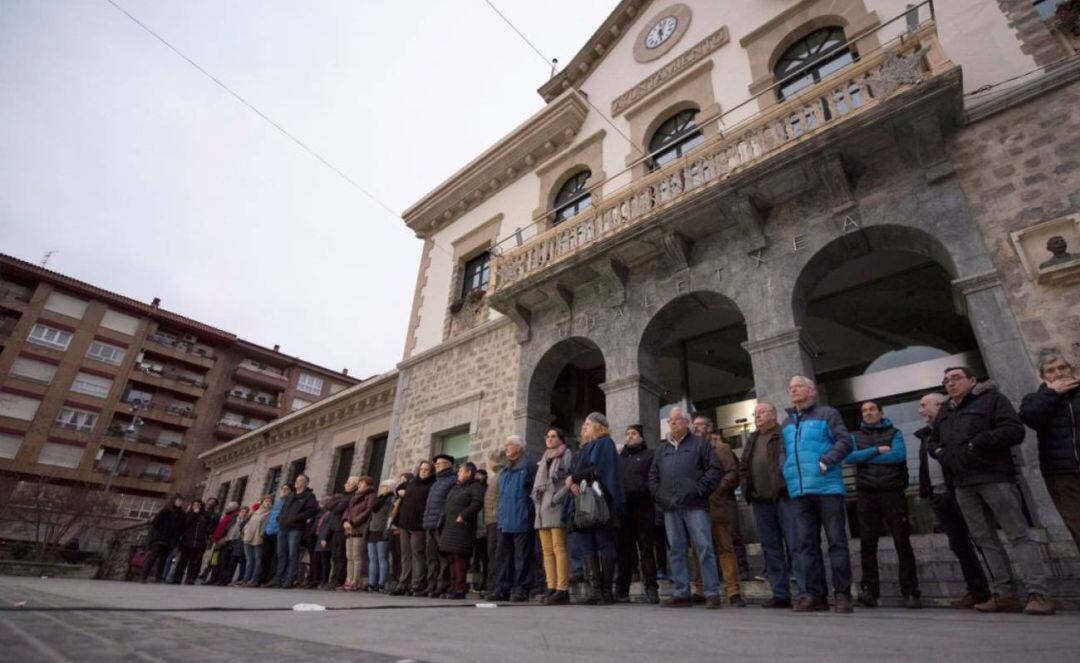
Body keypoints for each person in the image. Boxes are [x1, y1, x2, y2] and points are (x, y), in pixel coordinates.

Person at [929, 367, 1054, 615]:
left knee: (1018, 534)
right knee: (984, 539)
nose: (950, 384)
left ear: (972, 380)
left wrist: (977, 444)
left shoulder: (992, 400)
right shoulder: (946, 410)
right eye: (946, 381)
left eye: (956, 378)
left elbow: (1014, 430)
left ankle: (1038, 592)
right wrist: (941, 453)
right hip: (963, 483)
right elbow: (934, 441)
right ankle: (1004, 593)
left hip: (994, 477)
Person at [782, 375, 854, 613]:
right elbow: (783, 451)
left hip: (827, 488)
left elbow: (845, 441)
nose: (793, 391)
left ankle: (842, 595)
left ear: (811, 391)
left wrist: (826, 461)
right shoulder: (788, 422)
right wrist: (786, 467)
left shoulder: (828, 414)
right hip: (800, 492)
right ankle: (815, 596)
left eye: (798, 387)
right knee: (805, 546)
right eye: (791, 388)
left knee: (836, 543)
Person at [915, 393, 991, 608]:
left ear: (940, 406)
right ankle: (977, 591)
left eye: (924, 405)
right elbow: (924, 467)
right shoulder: (926, 435)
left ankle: (998, 590)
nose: (920, 410)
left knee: (981, 539)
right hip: (938, 495)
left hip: (959, 490)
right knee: (958, 544)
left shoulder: (953, 427)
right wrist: (925, 493)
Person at [845, 401, 921, 608]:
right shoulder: (856, 436)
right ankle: (870, 591)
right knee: (867, 544)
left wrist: (866, 457)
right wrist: (877, 450)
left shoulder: (894, 432)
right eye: (864, 411)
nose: (868, 413)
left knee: (902, 542)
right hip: (866, 493)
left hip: (892, 492)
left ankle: (910, 592)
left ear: (881, 412)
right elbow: (851, 457)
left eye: (872, 410)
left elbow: (898, 456)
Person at [648, 407, 723, 608]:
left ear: (687, 422)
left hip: (695, 505)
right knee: (676, 550)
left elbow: (715, 470)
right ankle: (681, 592)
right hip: (670, 507)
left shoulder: (700, 444)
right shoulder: (662, 449)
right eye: (670, 421)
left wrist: (699, 490)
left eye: (676, 420)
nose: (672, 423)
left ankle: (712, 592)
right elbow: (653, 477)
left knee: (704, 547)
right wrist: (660, 497)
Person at [740, 403, 798, 609]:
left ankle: (804, 592)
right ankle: (780, 594)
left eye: (761, 412)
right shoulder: (752, 439)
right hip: (760, 501)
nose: (757, 416)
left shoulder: (783, 434)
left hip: (784, 498)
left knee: (795, 545)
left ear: (773, 415)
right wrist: (747, 489)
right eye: (755, 414)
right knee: (771, 548)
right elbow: (744, 466)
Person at [1020, 349, 1080, 546]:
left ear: (1071, 369)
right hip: (1061, 474)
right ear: (1043, 377)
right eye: (1051, 370)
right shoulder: (1035, 399)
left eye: (1062, 367)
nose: (1058, 373)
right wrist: (1052, 393)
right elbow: (1030, 416)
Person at [699, 429, 744, 607]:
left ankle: (733, 591)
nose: (697, 428)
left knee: (725, 547)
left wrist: (717, 489)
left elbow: (732, 473)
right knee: (698, 550)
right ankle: (700, 590)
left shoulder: (721, 448)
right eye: (695, 426)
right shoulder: (693, 449)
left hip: (718, 505)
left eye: (701, 425)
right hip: (698, 505)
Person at [491, 436, 538, 602]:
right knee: (503, 556)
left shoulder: (529, 466)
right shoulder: (505, 470)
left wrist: (529, 513)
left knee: (522, 557)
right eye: (506, 444)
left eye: (509, 444)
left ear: (519, 447)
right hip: (504, 520)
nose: (506, 448)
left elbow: (535, 492)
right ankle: (502, 588)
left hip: (522, 517)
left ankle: (521, 589)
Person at [616, 424, 659, 604]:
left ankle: (651, 589)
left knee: (646, 551)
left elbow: (654, 478)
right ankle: (622, 591)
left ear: (641, 437)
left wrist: (644, 491)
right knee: (625, 552)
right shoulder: (621, 458)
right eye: (627, 434)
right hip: (624, 511)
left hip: (644, 510)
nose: (630, 437)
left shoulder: (650, 455)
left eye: (634, 434)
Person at [531, 427, 573, 605]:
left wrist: (557, 498)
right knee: (547, 552)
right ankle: (551, 586)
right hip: (541, 509)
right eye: (547, 436)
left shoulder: (566, 454)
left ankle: (562, 589)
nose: (549, 439)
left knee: (558, 548)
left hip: (555, 507)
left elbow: (571, 479)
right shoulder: (544, 458)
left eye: (553, 436)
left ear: (561, 439)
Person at [440, 462, 486, 599]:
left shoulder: (475, 487)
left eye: (461, 472)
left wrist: (463, 515)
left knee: (460, 559)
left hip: (463, 527)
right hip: (450, 526)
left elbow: (477, 503)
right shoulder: (456, 487)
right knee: (451, 558)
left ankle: (460, 588)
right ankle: (453, 586)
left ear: (468, 473)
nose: (458, 474)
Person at [268, 474, 318, 588]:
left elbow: (311, 511)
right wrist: (279, 519)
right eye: (296, 480)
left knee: (293, 554)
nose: (297, 482)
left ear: (306, 483)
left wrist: (295, 518)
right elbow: (283, 509)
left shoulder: (309, 496)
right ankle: (278, 578)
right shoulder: (291, 496)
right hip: (283, 528)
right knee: (281, 554)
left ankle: (290, 579)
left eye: (300, 480)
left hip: (295, 529)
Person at [393, 461, 435, 596]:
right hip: (404, 523)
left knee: (417, 554)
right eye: (421, 469)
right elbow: (399, 487)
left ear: (431, 472)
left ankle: (417, 583)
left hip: (418, 525)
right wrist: (399, 491)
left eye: (426, 470)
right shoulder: (412, 482)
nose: (423, 471)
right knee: (405, 555)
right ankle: (403, 583)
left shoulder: (431, 485)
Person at [422, 454, 458, 597]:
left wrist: (441, 520)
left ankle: (442, 585)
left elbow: (448, 503)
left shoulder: (452, 480)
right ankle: (431, 585)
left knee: (443, 557)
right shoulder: (436, 482)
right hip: (430, 524)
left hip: (441, 524)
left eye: (441, 464)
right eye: (436, 464)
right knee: (431, 557)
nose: (437, 466)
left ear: (449, 464)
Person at [141, 494, 185, 583]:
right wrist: (161, 532)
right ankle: (144, 576)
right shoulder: (166, 510)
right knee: (153, 557)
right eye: (178, 500)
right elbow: (156, 522)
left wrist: (176, 537)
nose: (179, 502)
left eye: (181, 501)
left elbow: (181, 527)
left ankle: (158, 577)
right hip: (160, 538)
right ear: (174, 500)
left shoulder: (181, 514)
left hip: (171, 540)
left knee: (163, 559)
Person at [328, 475, 359, 590]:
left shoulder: (351, 497)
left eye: (349, 483)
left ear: (355, 486)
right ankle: (333, 578)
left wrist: (337, 505)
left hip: (342, 528)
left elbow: (338, 509)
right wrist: (337, 504)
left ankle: (338, 580)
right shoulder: (343, 497)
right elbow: (329, 506)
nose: (346, 485)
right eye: (347, 483)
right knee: (335, 555)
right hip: (335, 528)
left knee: (341, 555)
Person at [367, 479, 396, 593]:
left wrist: (387, 530)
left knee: (382, 558)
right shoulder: (378, 500)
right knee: (372, 558)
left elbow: (390, 516)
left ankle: (382, 583)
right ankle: (372, 583)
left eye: (386, 486)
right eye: (382, 486)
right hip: (373, 530)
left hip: (382, 530)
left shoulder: (391, 499)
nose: (383, 488)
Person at [174, 499, 210, 585]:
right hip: (187, 542)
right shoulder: (188, 515)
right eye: (195, 505)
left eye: (198, 505)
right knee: (182, 561)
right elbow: (185, 524)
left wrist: (206, 535)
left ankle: (190, 578)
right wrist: (194, 514)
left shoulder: (204, 516)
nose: (196, 506)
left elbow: (209, 526)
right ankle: (177, 578)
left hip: (199, 543)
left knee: (194, 562)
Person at [260, 484, 290, 585]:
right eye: (283, 489)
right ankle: (262, 578)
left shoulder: (289, 502)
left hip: (279, 532)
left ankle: (273, 578)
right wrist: (265, 530)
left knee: (276, 556)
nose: (284, 491)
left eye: (286, 489)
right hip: (268, 532)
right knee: (265, 556)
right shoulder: (277, 502)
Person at [388, 471, 412, 593]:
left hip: (402, 528)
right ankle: (395, 580)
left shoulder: (406, 496)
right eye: (400, 480)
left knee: (403, 555)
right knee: (396, 557)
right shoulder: (397, 498)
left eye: (404, 480)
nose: (401, 482)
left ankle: (402, 580)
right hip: (394, 528)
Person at [240, 495, 272, 587]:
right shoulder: (255, 512)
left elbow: (265, 526)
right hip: (248, 538)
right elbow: (248, 523)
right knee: (249, 560)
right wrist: (245, 531)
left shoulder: (269, 513)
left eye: (270, 501)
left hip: (258, 539)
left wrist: (262, 535)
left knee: (258, 560)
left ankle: (254, 579)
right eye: (266, 501)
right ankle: (246, 579)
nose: (268, 503)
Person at [207, 501, 239, 585]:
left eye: (229, 506)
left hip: (225, 542)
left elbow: (231, 529)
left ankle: (221, 580)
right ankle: (213, 578)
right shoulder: (226, 516)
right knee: (214, 561)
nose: (227, 507)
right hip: (218, 541)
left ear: (234, 508)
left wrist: (225, 538)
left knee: (223, 561)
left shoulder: (234, 516)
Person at [309, 496, 338, 589]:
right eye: (325, 501)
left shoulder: (331, 514)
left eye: (328, 501)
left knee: (325, 561)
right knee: (317, 560)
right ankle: (317, 580)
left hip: (325, 539)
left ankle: (324, 581)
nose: (326, 503)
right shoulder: (322, 513)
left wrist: (325, 538)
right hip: (319, 538)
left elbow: (329, 526)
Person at [471, 468, 490, 592]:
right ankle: (475, 583)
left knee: (485, 558)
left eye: (480, 475)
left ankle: (484, 582)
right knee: (475, 559)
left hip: (484, 529)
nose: (478, 477)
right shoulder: (473, 489)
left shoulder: (487, 489)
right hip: (475, 529)